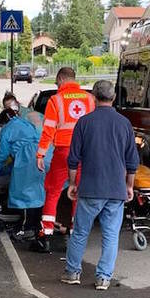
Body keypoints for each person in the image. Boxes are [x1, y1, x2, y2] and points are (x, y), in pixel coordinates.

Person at [61, 80, 139, 290]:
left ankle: (72, 272)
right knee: (111, 235)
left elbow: (73, 158)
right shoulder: (124, 124)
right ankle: (104, 278)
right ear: (113, 98)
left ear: (93, 97)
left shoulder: (84, 122)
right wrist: (129, 186)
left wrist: (72, 183)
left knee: (80, 232)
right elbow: (132, 161)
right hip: (116, 189)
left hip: (90, 189)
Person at [36, 67, 96, 250]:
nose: (56, 85)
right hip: (85, 153)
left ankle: (45, 234)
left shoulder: (55, 100)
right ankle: (75, 232)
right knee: (79, 192)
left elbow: (48, 130)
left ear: (61, 79)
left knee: (53, 191)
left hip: (63, 152)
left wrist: (41, 154)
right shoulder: (89, 99)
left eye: (56, 82)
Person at [0, 108, 52, 250]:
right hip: (45, 154)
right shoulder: (27, 121)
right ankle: (38, 226)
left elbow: (3, 153)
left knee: (25, 195)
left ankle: (26, 228)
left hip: (28, 158)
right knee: (39, 192)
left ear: (3, 122)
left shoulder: (8, 128)